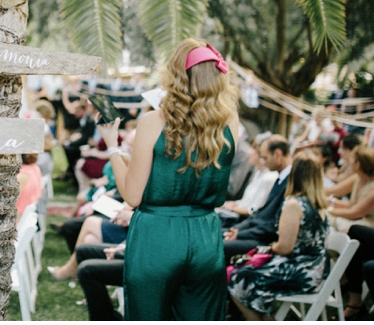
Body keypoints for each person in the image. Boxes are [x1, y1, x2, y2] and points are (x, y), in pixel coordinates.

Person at [98, 39, 240, 320]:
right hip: (205, 236)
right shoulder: (229, 120)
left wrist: (112, 146)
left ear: (174, 76)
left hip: (157, 236)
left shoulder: (153, 122)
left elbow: (133, 196)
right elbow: (185, 169)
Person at [228, 151, 330, 320]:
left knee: (235, 276)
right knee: (243, 270)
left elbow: (284, 247)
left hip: (300, 271)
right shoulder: (320, 205)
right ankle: (266, 317)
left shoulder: (294, 204)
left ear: (295, 174)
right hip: (316, 270)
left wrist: (267, 249)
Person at [223, 135, 293, 263]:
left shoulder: (289, 182)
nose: (263, 162)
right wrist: (237, 230)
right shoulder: (281, 178)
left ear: (277, 154)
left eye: (265, 158)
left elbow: (270, 224)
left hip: (263, 239)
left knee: (218, 246)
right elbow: (260, 215)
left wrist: (240, 233)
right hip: (255, 232)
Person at [47, 206, 133, 280]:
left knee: (90, 222)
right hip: (129, 223)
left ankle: (71, 268)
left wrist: (130, 216)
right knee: (89, 240)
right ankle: (98, 296)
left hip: (134, 234)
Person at [327, 145, 374, 233]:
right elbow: (350, 203)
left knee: (326, 220)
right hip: (359, 223)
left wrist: (329, 210)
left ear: (358, 165)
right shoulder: (358, 178)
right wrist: (331, 202)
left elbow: (353, 213)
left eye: (352, 158)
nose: (349, 161)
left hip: (373, 232)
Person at [220, 140, 278, 221]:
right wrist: (232, 204)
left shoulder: (269, 178)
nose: (249, 151)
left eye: (253, 148)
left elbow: (253, 210)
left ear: (261, 154)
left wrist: (229, 207)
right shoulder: (258, 173)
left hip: (246, 221)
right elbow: (247, 201)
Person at [76, 243, 125, 320]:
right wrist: (121, 247)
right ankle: (106, 311)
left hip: (141, 264)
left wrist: (119, 253)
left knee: (86, 271)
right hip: (131, 250)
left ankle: (106, 319)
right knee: (83, 251)